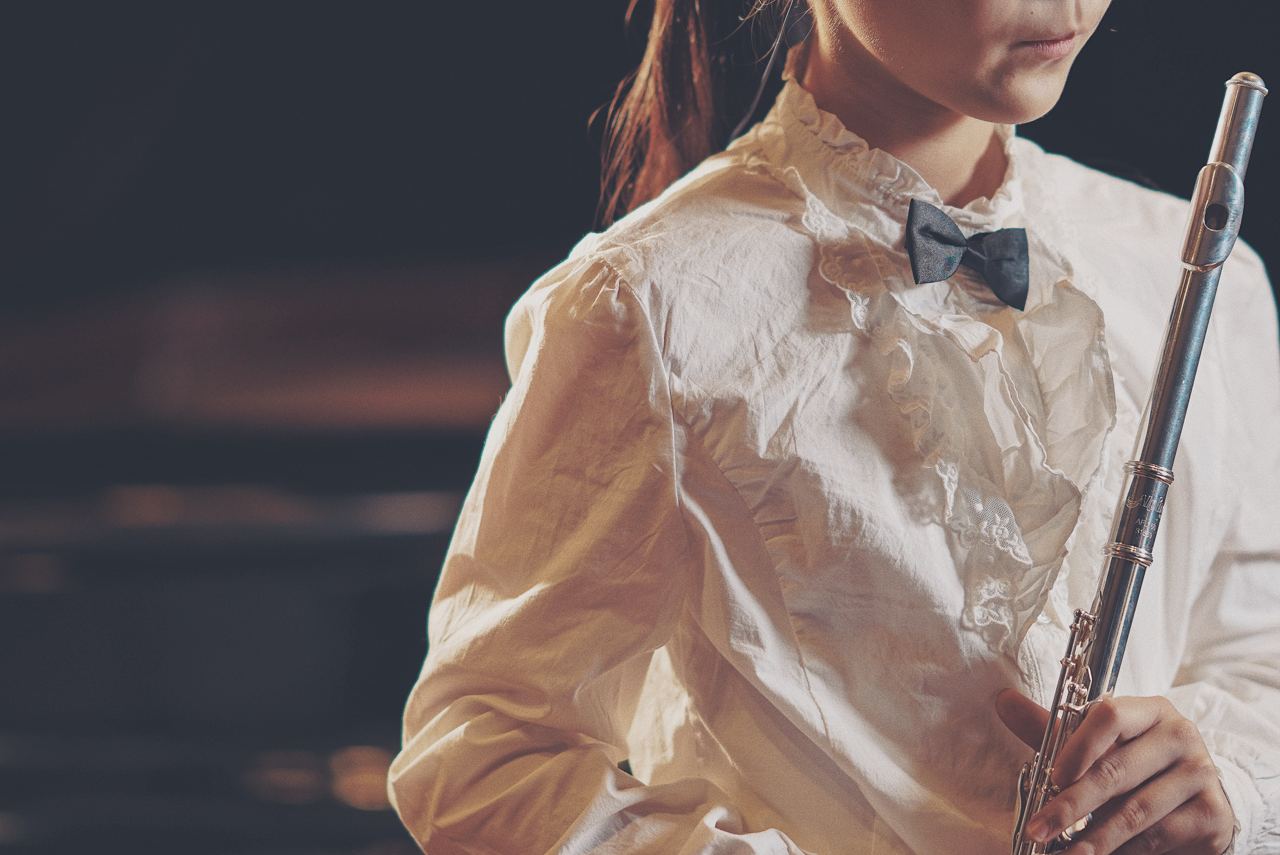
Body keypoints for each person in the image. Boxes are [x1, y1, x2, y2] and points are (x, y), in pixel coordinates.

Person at [386, 1, 1280, 852]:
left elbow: (1259, 653)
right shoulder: (648, 304)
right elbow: (476, 755)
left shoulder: (1195, 271)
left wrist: (1227, 783)